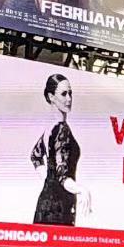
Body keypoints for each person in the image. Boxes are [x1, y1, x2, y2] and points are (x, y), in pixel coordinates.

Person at [29, 73, 79, 226]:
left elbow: (35, 156)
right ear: (51, 97)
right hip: (59, 208)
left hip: (46, 204)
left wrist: (50, 180)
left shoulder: (50, 127)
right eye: (63, 94)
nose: (69, 99)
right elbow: (63, 176)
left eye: (70, 93)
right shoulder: (62, 129)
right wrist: (81, 190)